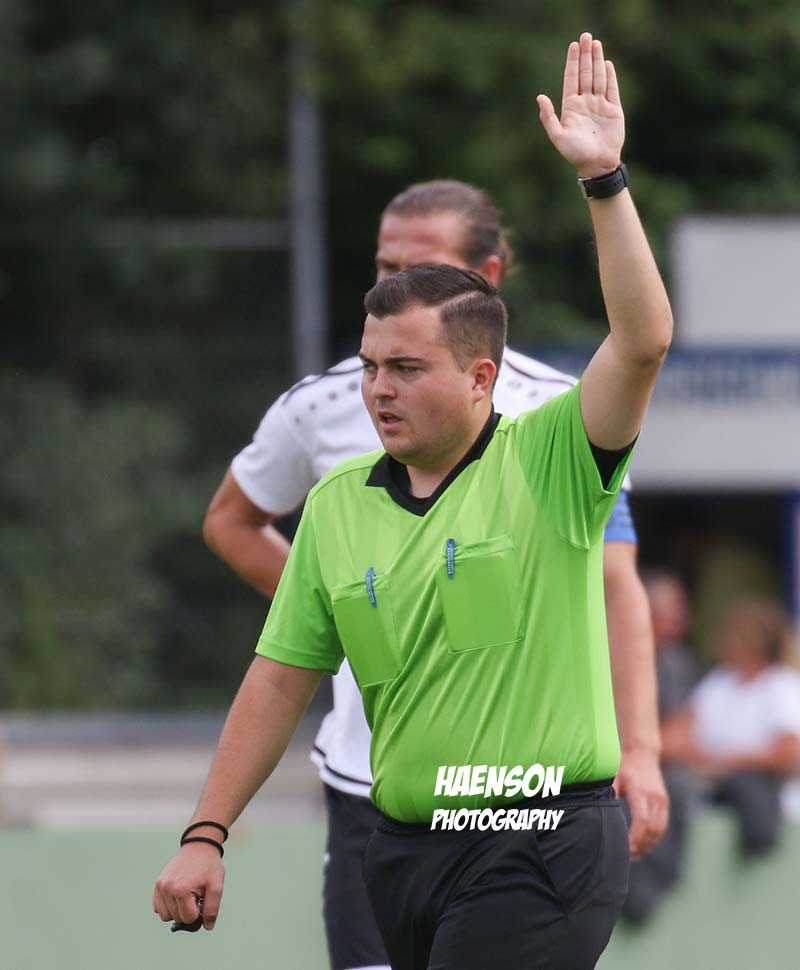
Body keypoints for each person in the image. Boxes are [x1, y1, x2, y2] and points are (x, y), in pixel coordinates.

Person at [154, 34, 672, 969]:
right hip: (396, 846)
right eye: (370, 367)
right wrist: (206, 832)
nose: (378, 389)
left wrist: (604, 181)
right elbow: (278, 678)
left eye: (406, 368)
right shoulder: (338, 505)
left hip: (538, 838)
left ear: (480, 378)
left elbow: (640, 343)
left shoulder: (552, 456)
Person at [662, 596, 800, 857]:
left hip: (779, 810)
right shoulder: (719, 683)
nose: (727, 640)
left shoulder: (782, 686)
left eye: (738, 634)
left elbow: (789, 753)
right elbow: (676, 737)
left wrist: (725, 761)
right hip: (711, 801)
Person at [623, 570, 698, 924]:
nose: (681, 621)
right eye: (673, 613)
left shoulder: (677, 663)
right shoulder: (612, 652)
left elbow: (684, 735)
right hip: (613, 771)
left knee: (679, 791)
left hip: (651, 770)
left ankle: (657, 887)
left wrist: (641, 750)